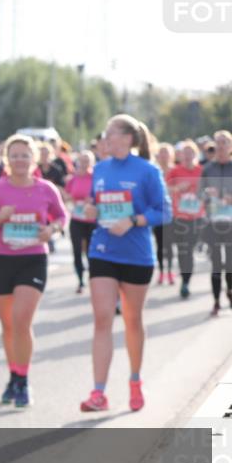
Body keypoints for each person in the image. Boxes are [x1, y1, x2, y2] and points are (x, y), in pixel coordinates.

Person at [80, 115, 170, 412]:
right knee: (102, 318)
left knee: (132, 320)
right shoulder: (101, 169)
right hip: (103, 250)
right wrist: (92, 209)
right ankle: (98, 392)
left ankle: (134, 380)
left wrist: (133, 220)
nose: (105, 138)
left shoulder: (147, 170)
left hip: (136, 254)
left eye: (111, 133)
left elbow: (164, 211)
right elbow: (96, 202)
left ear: (128, 138)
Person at [0, 135, 68, 407]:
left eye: (25, 155)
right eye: (14, 155)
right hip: (3, 260)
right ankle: (13, 375)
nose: (19, 160)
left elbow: (62, 217)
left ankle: (23, 380)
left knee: (21, 320)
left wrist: (51, 229)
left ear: (34, 159)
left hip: (33, 259)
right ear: (6, 159)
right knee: (8, 326)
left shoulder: (46, 189)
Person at [199, 130, 232, 316]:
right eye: (218, 143)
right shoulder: (208, 169)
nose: (221, 146)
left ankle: (230, 290)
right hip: (213, 223)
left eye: (225, 142)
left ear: (230, 147)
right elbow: (199, 193)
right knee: (216, 264)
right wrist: (206, 195)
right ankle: (216, 301)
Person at [168, 140, 205, 299]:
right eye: (185, 153)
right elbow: (165, 190)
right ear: (181, 155)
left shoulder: (202, 170)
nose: (188, 155)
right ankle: (185, 279)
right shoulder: (175, 171)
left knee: (188, 248)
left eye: (191, 152)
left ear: (195, 154)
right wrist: (177, 188)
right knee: (183, 250)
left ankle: (185, 280)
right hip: (179, 216)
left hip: (197, 216)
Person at [64, 151, 98, 294]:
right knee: (77, 251)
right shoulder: (73, 179)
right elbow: (66, 197)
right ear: (76, 163)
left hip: (91, 220)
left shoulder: (95, 178)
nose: (83, 164)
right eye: (81, 161)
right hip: (77, 219)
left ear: (91, 163)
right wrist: (71, 199)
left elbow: (101, 195)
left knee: (91, 251)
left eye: (86, 161)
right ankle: (80, 281)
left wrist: (92, 200)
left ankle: (93, 279)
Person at [152, 143, 176, 285]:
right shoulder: (154, 170)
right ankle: (161, 271)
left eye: (166, 152)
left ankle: (170, 271)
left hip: (174, 213)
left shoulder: (176, 171)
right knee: (160, 244)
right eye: (161, 152)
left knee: (170, 245)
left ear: (171, 155)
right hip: (158, 213)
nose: (164, 155)